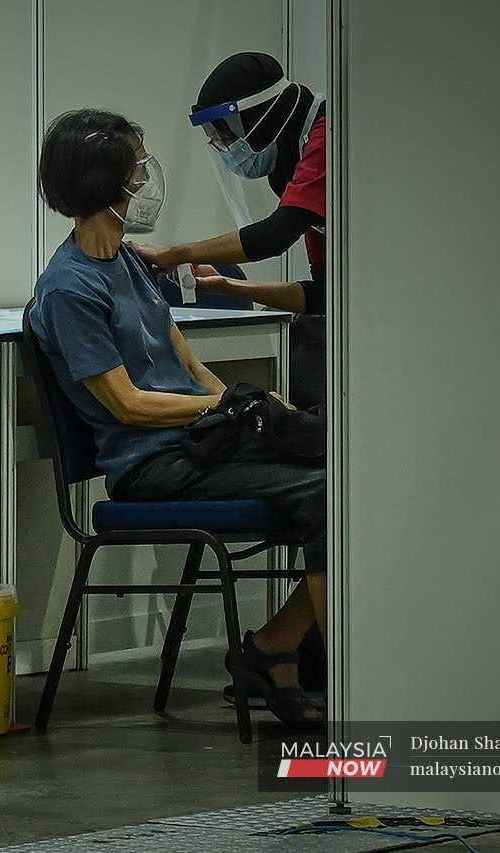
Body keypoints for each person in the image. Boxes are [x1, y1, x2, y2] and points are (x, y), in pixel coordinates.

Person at [31, 110, 326, 728]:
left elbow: (180, 353)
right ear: (104, 181)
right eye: (138, 167)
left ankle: (275, 647)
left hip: (198, 444)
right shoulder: (68, 290)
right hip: (152, 465)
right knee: (329, 495)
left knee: (349, 468)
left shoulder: (131, 262)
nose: (146, 178)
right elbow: (128, 403)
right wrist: (221, 407)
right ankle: (338, 674)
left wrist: (246, 411)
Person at [138, 52, 328, 409]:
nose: (224, 144)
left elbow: (274, 235)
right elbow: (324, 296)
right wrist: (229, 287)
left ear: (261, 115)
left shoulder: (330, 138)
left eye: (224, 130)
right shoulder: (303, 167)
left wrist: (176, 253)